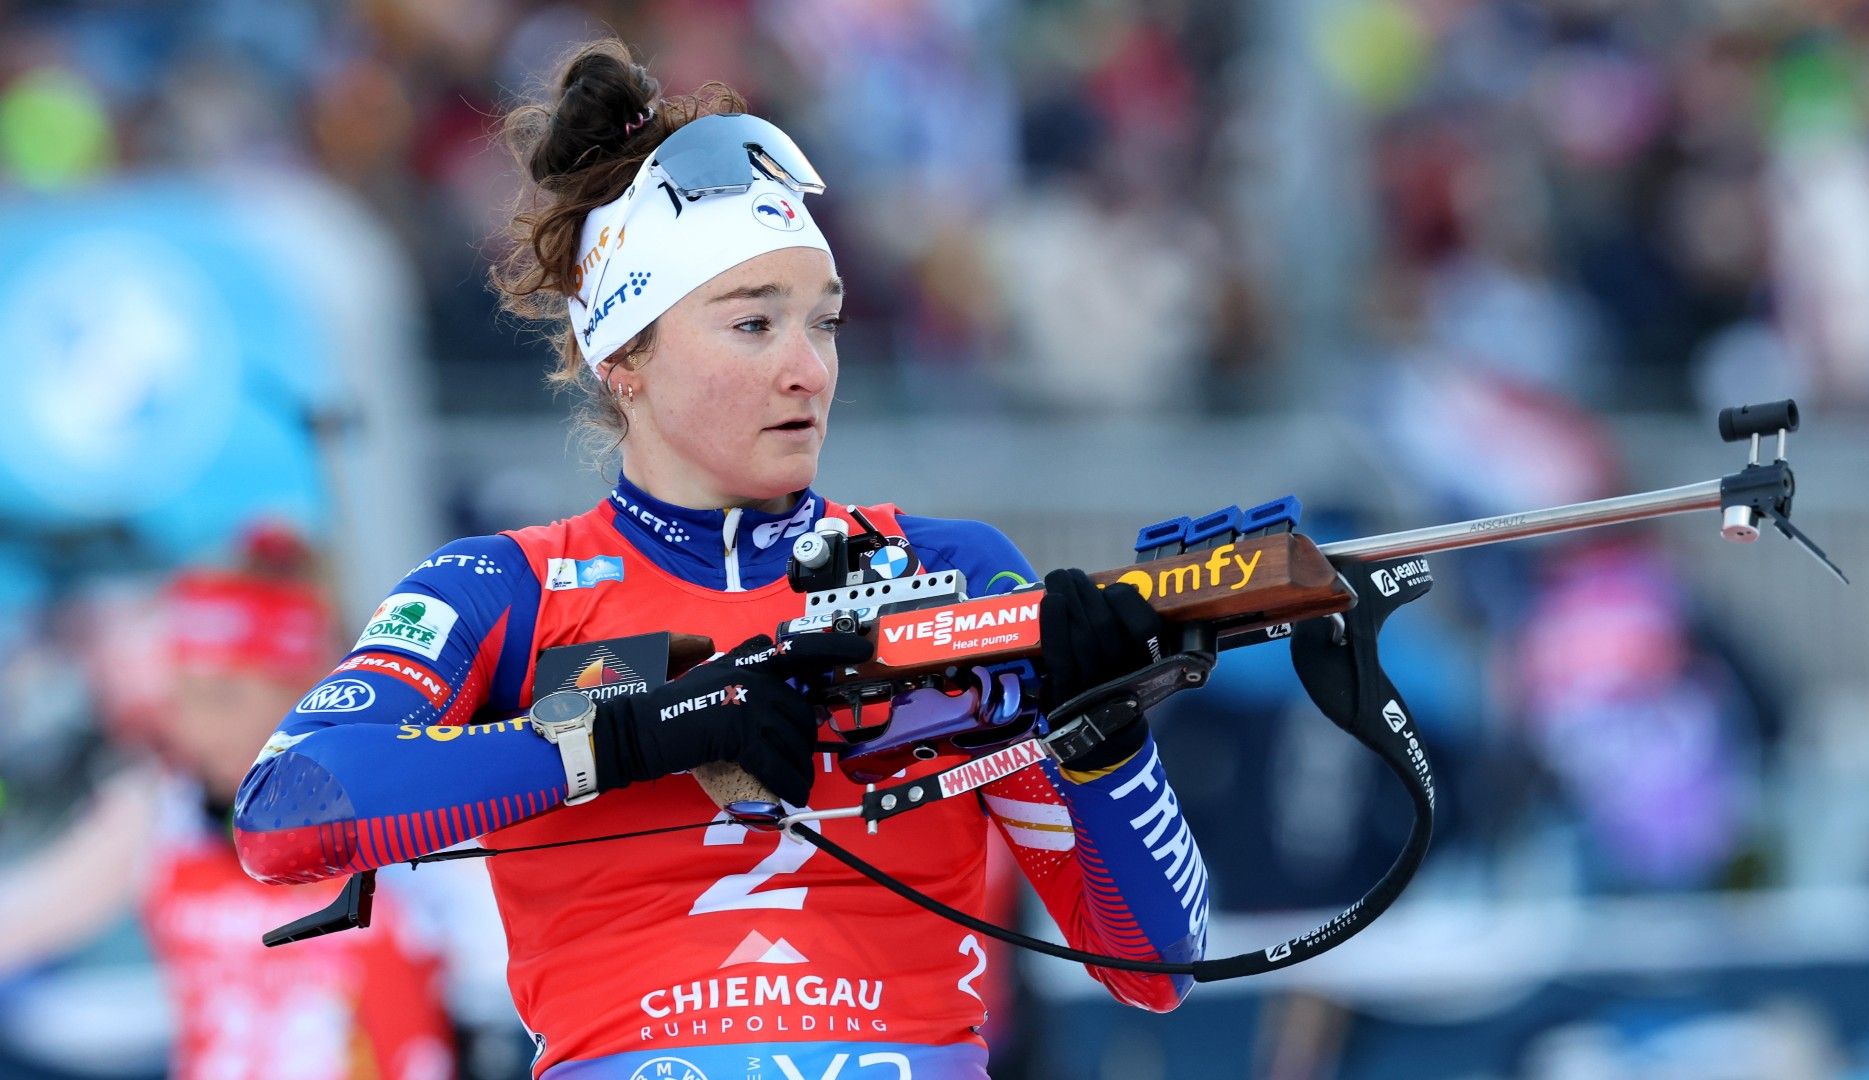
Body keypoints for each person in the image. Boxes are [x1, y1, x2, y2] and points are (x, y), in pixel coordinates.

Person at [236, 39, 1209, 1079]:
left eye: (825, 322)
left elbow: (1157, 966)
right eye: (753, 324)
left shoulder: (952, 567)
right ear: (625, 356)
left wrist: (1107, 740)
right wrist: (636, 733)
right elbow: (288, 810)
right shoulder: (505, 590)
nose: (808, 369)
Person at [0, 525, 456, 1080]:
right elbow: (25, 919)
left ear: (311, 691)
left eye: (224, 697)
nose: (196, 728)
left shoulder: (417, 809)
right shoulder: (162, 810)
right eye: (181, 697)